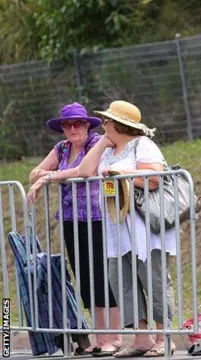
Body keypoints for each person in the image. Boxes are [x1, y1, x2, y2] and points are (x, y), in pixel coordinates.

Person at [77, 100, 176, 358]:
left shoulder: (143, 145)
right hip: (117, 229)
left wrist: (121, 171)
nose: (103, 124)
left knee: (153, 280)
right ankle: (141, 339)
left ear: (119, 124)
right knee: (122, 280)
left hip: (144, 228)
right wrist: (101, 144)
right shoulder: (108, 150)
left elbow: (155, 178)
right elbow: (86, 170)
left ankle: (164, 338)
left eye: (107, 121)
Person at [27, 102, 122, 357]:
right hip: (71, 220)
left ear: (86, 125)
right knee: (85, 279)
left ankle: (114, 336)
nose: (72, 128)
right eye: (67, 125)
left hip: (99, 218)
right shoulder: (61, 148)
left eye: (78, 123)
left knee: (104, 277)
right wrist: (43, 175)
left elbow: (86, 171)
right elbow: (35, 172)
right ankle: (99, 337)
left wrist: (51, 176)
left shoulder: (97, 143)